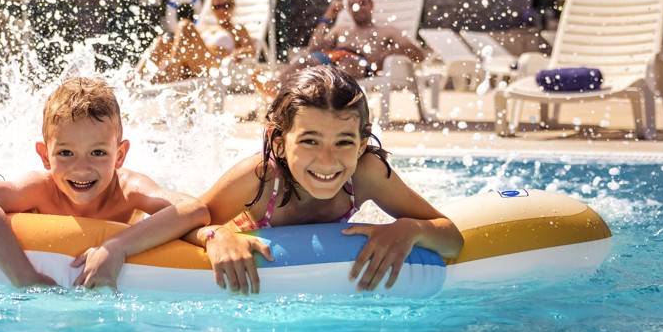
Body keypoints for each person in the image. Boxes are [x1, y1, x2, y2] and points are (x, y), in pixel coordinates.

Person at [185, 65, 462, 294]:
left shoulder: (366, 175)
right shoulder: (260, 179)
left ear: (362, 144)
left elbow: (452, 238)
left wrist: (409, 229)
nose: (328, 161)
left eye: (343, 142)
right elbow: (184, 223)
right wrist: (216, 235)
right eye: (310, 141)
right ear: (279, 143)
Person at [0, 77, 209, 288]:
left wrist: (116, 247)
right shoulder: (41, 188)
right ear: (45, 156)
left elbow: (193, 209)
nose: (82, 168)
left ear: (119, 155)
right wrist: (26, 278)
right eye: (65, 153)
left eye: (98, 153)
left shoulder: (128, 189)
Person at [136, 0, 258, 84]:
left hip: (213, 64)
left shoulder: (237, 29)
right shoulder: (204, 28)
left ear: (233, 7)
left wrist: (236, 53)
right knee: (161, 40)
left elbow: (251, 50)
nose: (221, 10)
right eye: (217, 6)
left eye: (225, 6)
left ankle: (169, 72)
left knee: (185, 25)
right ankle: (135, 76)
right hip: (190, 64)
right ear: (211, 8)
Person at [301, 0, 425, 78]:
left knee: (349, 63)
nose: (358, 8)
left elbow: (419, 55)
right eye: (353, 5)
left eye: (362, 3)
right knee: (305, 61)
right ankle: (282, 101)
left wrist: (392, 52)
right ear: (348, 9)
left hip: (357, 65)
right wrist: (327, 17)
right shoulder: (340, 29)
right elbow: (313, 49)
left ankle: (337, 106)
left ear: (371, 5)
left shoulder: (387, 31)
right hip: (331, 63)